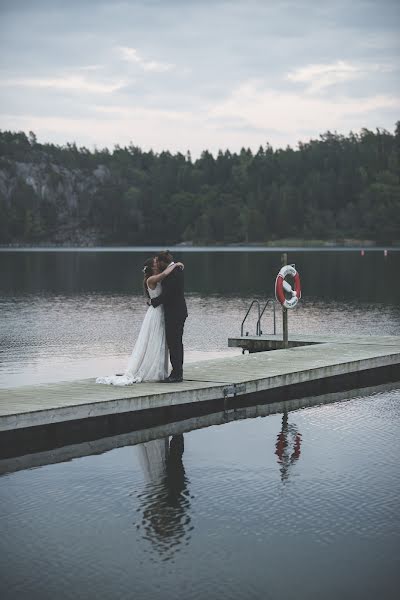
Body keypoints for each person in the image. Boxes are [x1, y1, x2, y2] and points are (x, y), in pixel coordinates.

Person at [95, 257, 183, 386]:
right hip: (156, 313)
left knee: (160, 341)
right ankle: (152, 369)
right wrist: (175, 265)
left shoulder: (155, 277)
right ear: (152, 268)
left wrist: (174, 265)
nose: (157, 264)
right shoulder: (151, 279)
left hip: (159, 311)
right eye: (155, 264)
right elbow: (164, 274)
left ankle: (159, 369)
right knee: (156, 340)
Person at [150, 250, 188, 383]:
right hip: (177, 311)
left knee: (174, 343)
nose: (157, 265)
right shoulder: (175, 270)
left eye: (157, 262)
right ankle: (178, 371)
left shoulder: (174, 272)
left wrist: (152, 302)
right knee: (176, 343)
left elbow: (168, 295)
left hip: (175, 313)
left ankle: (177, 374)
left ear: (162, 262)